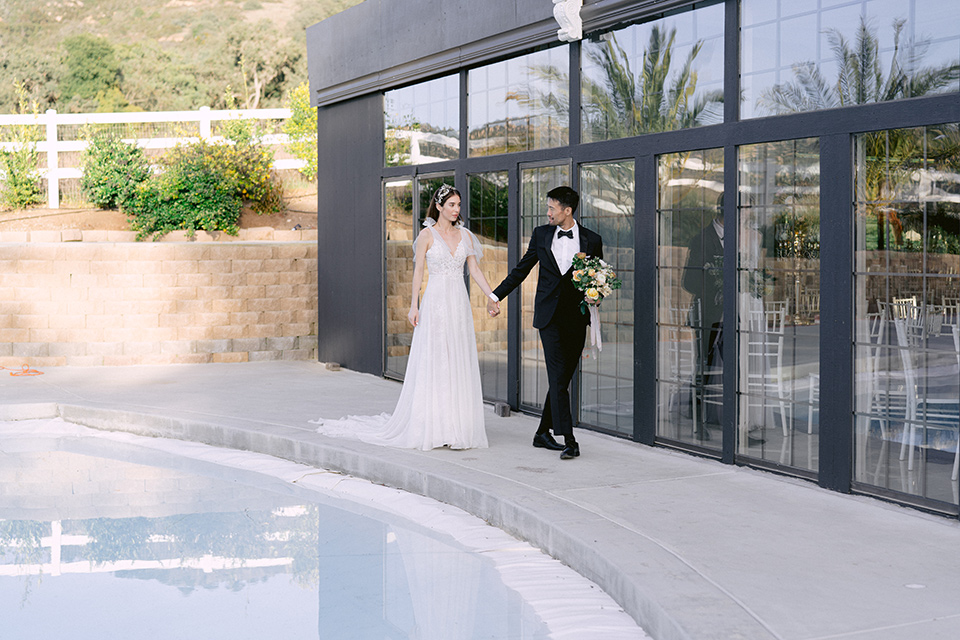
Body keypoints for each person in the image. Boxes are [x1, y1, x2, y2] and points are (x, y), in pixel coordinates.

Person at [313, 184, 494, 450]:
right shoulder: (426, 235)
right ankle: (433, 425)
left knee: (456, 356)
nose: (456, 210)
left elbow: (474, 270)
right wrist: (414, 305)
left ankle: (457, 426)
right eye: (452, 205)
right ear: (440, 206)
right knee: (435, 358)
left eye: (458, 205)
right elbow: (418, 271)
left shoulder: (465, 235)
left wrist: (492, 295)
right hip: (435, 302)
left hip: (457, 303)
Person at [487, 186, 603, 460]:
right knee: (557, 375)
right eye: (548, 207)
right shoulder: (541, 234)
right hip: (548, 317)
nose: (548, 212)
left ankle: (542, 433)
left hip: (577, 317)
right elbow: (522, 269)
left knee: (562, 378)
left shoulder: (592, 239)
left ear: (567, 210)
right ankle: (570, 440)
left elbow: (598, 276)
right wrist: (495, 295)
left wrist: (597, 297)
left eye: (552, 208)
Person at [681, 193, 725, 439]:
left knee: (733, 367)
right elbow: (688, 281)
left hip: (733, 316)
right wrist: (712, 282)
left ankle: (733, 423)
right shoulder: (701, 239)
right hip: (706, 315)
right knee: (704, 366)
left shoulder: (740, 237)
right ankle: (700, 422)